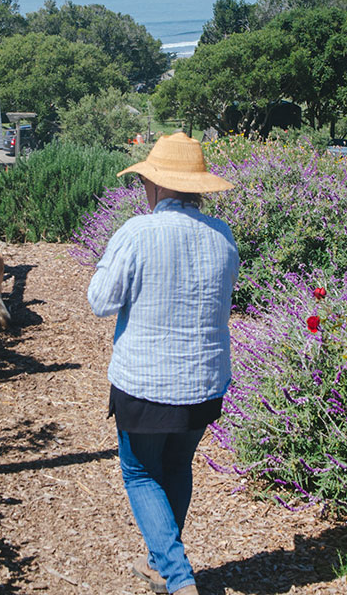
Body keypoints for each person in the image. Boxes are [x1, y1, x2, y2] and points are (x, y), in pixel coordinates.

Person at [87, 132, 240, 595]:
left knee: (139, 471)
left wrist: (105, 264)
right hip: (205, 380)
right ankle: (161, 563)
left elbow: (100, 301)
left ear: (153, 185)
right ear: (196, 188)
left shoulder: (137, 232)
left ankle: (177, 578)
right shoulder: (223, 235)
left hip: (146, 383)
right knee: (177, 465)